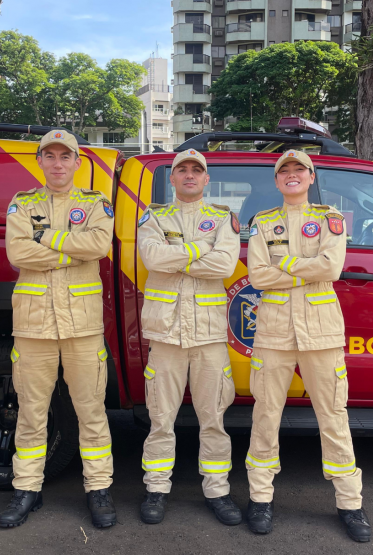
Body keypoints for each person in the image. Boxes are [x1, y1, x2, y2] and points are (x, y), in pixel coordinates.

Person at [244, 150, 371, 542]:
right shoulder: (262, 223)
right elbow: (257, 276)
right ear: (277, 181)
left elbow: (331, 268)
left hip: (321, 334)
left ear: (311, 177)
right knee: (265, 416)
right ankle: (260, 498)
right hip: (274, 334)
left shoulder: (329, 218)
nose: (293, 175)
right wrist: (305, 267)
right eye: (285, 171)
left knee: (333, 417)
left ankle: (350, 504)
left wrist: (284, 267)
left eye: (300, 170)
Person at [0, 129, 117, 529]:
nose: (57, 163)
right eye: (49, 156)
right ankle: (26, 490)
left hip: (82, 327)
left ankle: (98, 489)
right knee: (31, 414)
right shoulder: (22, 202)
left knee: (91, 412)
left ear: (77, 162)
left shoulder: (95, 203)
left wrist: (45, 239)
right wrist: (71, 248)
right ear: (40, 162)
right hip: (33, 327)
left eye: (65, 156)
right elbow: (18, 252)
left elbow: (99, 246)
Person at [136, 149, 242, 525]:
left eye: (197, 170)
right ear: (173, 177)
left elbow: (225, 264)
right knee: (160, 417)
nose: (190, 175)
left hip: (209, 336)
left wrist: (176, 253)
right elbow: (152, 258)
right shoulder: (154, 215)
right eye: (183, 169)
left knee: (213, 417)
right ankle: (156, 488)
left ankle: (218, 491)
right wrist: (200, 248)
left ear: (206, 179)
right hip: (165, 335)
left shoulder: (222, 218)